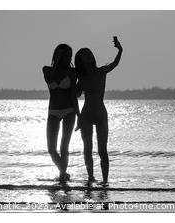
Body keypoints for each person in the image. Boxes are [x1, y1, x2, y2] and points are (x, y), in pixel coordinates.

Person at [75, 36, 123, 183]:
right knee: (87, 149)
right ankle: (90, 178)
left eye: (88, 53)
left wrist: (120, 50)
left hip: (101, 113)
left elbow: (115, 64)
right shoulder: (81, 79)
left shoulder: (101, 71)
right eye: (84, 55)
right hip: (86, 115)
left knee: (102, 150)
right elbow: (75, 95)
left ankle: (105, 181)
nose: (87, 56)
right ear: (80, 61)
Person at [43, 43, 81, 182]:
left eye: (69, 55)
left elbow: (73, 95)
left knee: (64, 148)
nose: (67, 58)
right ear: (57, 55)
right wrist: (57, 62)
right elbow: (49, 79)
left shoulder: (72, 72)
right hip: (52, 112)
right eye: (64, 55)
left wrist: (79, 115)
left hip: (69, 111)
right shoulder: (47, 69)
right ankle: (64, 173)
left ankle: (62, 177)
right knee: (51, 149)